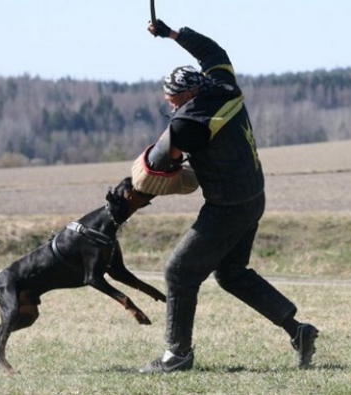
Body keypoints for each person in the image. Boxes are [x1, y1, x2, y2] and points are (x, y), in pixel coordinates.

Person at [135, 19, 319, 373]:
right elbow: (212, 52)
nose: (170, 105)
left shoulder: (188, 122)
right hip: (253, 195)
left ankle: (177, 356)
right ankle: (298, 331)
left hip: (227, 207)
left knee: (178, 272)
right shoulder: (223, 86)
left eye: (172, 100)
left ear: (186, 96)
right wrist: (172, 33)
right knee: (231, 273)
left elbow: (158, 163)